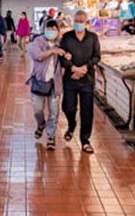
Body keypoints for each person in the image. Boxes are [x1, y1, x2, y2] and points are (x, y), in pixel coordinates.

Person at [59, 9, 101, 153]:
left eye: (81, 22)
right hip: (70, 80)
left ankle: (85, 141)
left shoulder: (93, 38)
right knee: (68, 107)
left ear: (86, 22)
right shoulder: (66, 37)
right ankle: (71, 124)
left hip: (87, 80)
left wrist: (84, 67)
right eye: (76, 21)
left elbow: (97, 57)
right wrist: (73, 68)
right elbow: (62, 57)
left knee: (87, 111)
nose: (78, 24)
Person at [28, 18, 64, 149]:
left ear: (58, 31)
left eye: (54, 29)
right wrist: (52, 51)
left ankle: (50, 136)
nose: (51, 32)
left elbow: (66, 56)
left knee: (54, 111)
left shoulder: (61, 43)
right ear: (44, 29)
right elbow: (37, 56)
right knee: (38, 109)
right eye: (49, 29)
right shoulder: (38, 42)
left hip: (55, 82)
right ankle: (41, 124)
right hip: (39, 80)